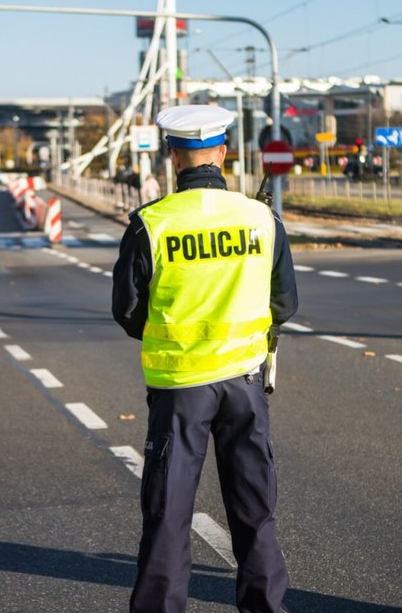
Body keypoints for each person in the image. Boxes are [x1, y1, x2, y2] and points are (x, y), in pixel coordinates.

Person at [112, 104, 299, 613]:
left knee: (169, 515)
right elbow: (285, 303)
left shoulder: (151, 224)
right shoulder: (261, 218)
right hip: (244, 383)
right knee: (255, 512)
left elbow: (127, 310)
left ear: (174, 156)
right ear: (222, 152)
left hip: (179, 391)